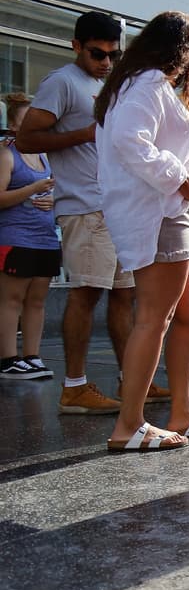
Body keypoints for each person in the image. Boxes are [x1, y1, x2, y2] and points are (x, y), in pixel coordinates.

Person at [16, 11, 168, 413]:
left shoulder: (108, 84)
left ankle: (135, 380)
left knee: (124, 296)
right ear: (76, 46)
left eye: (113, 55)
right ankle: (74, 386)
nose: (104, 62)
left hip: (115, 206)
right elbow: (25, 138)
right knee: (86, 294)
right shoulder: (62, 82)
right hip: (84, 207)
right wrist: (84, 134)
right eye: (97, 53)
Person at [94, 11, 189, 451]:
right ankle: (129, 425)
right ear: (187, 52)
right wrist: (182, 182)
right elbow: (132, 142)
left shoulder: (136, 83)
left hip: (168, 212)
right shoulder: (149, 84)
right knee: (156, 317)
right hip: (161, 214)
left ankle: (183, 413)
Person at [0, 92, 59, 380]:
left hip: (45, 237)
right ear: (13, 126)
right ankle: (8, 359)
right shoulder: (5, 154)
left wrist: (53, 200)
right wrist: (32, 190)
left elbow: (53, 192)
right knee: (11, 299)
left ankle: (32, 356)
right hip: (15, 237)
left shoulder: (44, 156)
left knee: (37, 300)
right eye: (26, 121)